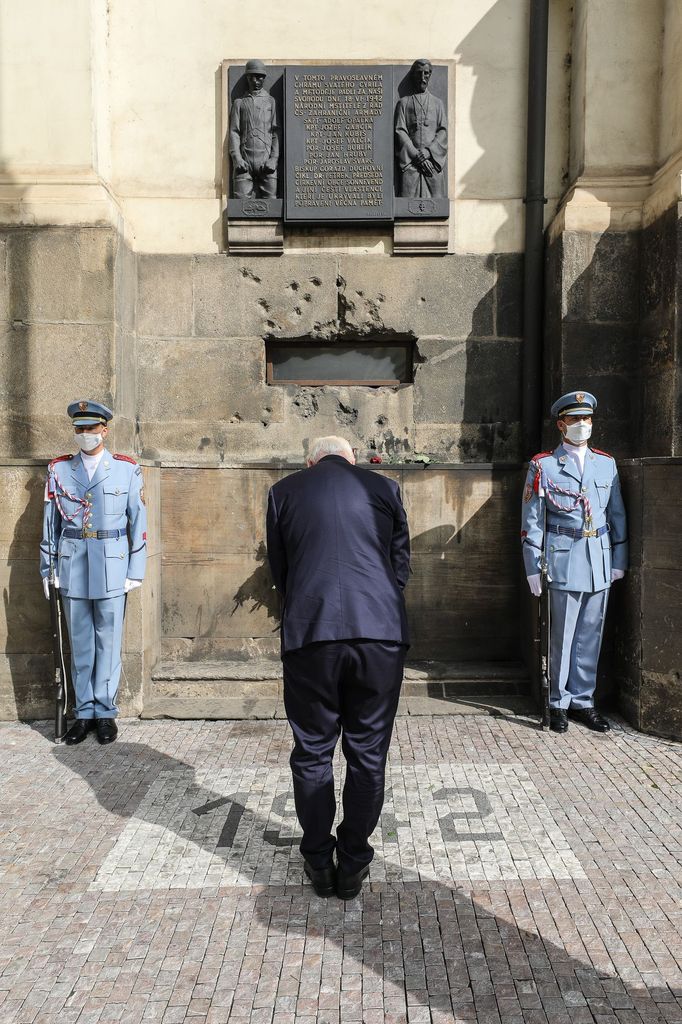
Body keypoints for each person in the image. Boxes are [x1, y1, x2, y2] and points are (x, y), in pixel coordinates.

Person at [266, 436, 410, 900]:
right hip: (379, 633)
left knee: (311, 750)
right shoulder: (384, 488)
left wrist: (307, 606)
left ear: (311, 461)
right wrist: (380, 605)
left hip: (312, 631)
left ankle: (316, 857)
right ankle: (353, 861)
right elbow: (400, 563)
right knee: (368, 751)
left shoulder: (285, 491)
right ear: (351, 459)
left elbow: (281, 569)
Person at [40, 401, 147, 745]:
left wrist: (136, 567)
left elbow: (138, 522)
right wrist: (48, 566)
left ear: (105, 429)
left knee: (109, 640)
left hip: (112, 565)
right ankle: (83, 713)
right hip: (73, 564)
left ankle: (105, 712)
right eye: (79, 429)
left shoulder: (126, 470)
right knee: (81, 643)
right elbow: (50, 525)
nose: (85, 435)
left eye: (90, 428)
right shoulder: (59, 471)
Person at [521, 391, 628, 733]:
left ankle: (583, 700)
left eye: (588, 419)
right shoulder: (544, 465)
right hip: (562, 559)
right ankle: (557, 702)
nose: (583, 425)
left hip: (599, 557)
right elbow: (532, 520)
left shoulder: (605, 463)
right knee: (562, 636)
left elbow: (617, 514)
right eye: (575, 419)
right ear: (561, 424)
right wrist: (532, 565)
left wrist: (619, 558)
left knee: (590, 635)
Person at [394, 58, 447, 199]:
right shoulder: (404, 103)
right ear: (413, 76)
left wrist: (428, 152)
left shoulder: (438, 104)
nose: (422, 78)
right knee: (407, 203)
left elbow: (443, 132)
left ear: (430, 75)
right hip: (411, 164)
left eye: (426, 74)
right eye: (418, 73)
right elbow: (400, 131)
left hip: (432, 164)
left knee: (436, 203)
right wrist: (416, 155)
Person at [229, 58, 279, 198]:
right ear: (247, 78)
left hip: (266, 161)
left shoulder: (271, 102)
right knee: (240, 205)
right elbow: (234, 132)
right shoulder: (239, 103)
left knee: (272, 205)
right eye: (253, 77)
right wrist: (237, 158)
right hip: (244, 161)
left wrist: (273, 159)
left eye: (260, 77)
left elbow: (276, 132)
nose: (256, 81)